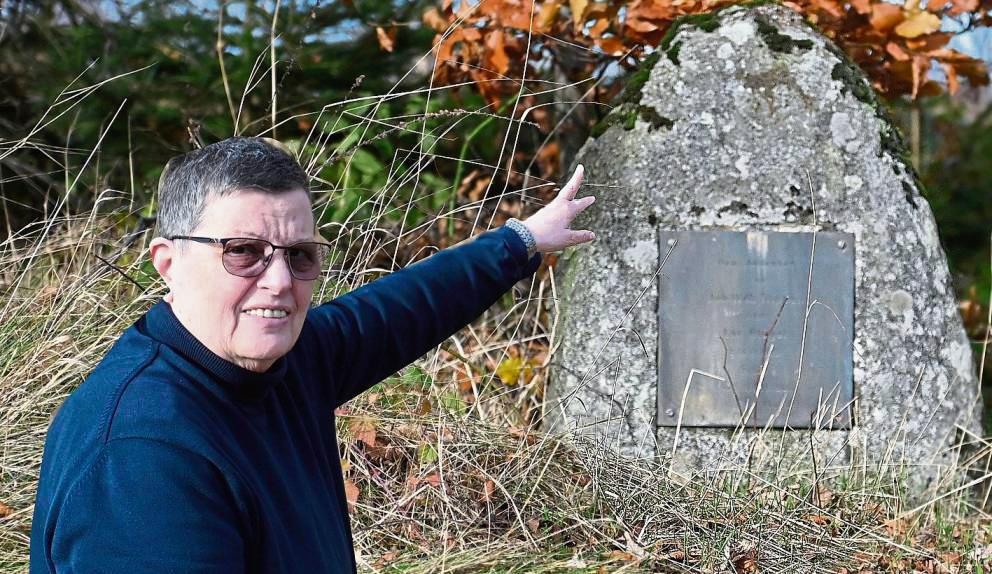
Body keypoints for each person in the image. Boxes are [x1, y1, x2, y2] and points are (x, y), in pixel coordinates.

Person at [29, 137, 596, 573]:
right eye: (244, 253)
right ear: (168, 262)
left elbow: (400, 309)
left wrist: (521, 242)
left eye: (300, 256)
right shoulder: (141, 456)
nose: (279, 281)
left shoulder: (283, 361)